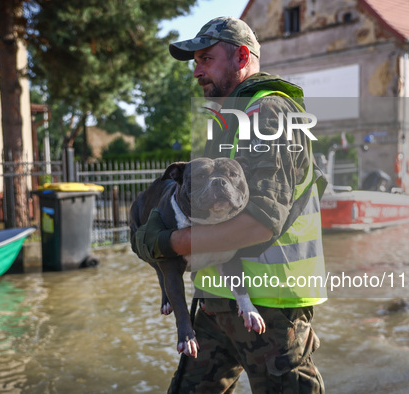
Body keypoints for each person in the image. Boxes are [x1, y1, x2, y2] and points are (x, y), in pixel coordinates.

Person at [132, 16, 327, 393]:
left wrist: (167, 243)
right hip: (216, 303)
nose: (195, 71)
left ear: (240, 57)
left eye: (205, 59)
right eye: (195, 62)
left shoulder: (267, 112)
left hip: (271, 311)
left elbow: (259, 224)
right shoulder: (229, 120)